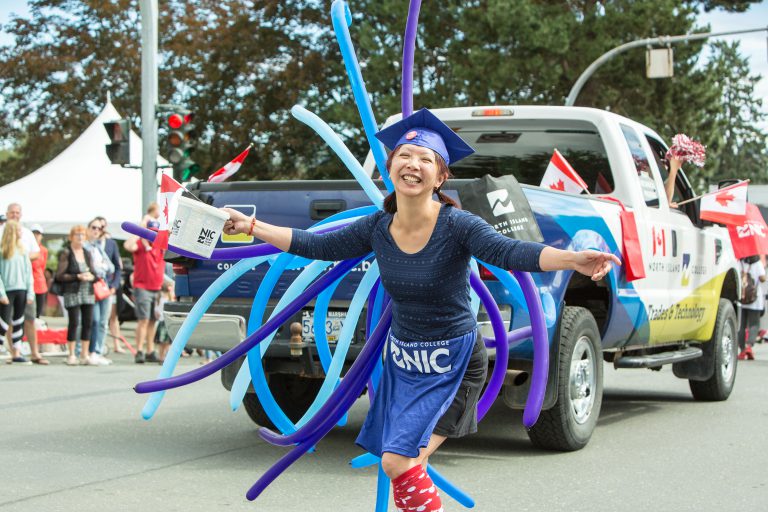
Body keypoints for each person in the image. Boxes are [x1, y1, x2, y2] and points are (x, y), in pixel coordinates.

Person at [221, 108, 619, 511]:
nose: (413, 165)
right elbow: (315, 245)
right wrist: (251, 226)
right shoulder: (378, 227)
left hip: (454, 362)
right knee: (408, 469)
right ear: (390, 166)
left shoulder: (457, 224)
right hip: (405, 363)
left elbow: (511, 251)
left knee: (398, 462)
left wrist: (572, 260)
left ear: (441, 177)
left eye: (426, 159)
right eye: (405, 156)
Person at [2, 203, 46, 364]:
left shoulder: (26, 233)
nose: (15, 215)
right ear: (7, 214)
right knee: (7, 319)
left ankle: (33, 352)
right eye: (12, 212)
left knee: (28, 318)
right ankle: (13, 351)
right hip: (7, 285)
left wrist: (21, 255)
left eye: (17, 212)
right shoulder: (2, 231)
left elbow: (36, 253)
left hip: (24, 284)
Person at [55, 225, 99, 366]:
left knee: (88, 322)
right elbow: (60, 275)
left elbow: (94, 272)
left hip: (87, 291)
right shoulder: (66, 253)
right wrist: (78, 276)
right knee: (74, 322)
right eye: (77, 235)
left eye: (82, 235)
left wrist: (91, 276)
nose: (80, 237)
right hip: (72, 291)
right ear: (71, 237)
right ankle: (71, 354)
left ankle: (84, 354)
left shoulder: (87, 252)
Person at [124, 225, 166, 364]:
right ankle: (140, 351)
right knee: (143, 320)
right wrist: (140, 232)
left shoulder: (159, 247)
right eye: (150, 234)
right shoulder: (141, 246)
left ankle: (150, 350)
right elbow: (128, 245)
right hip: (142, 287)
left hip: (156, 287)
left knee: (153, 320)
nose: (152, 237)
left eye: (154, 234)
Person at [0, 220, 35, 364]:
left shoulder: (23, 251)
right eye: (18, 230)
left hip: (22, 289)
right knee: (4, 322)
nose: (21, 233)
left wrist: (30, 292)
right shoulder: (2, 252)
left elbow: (28, 273)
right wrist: (1, 293)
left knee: (19, 321)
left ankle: (17, 351)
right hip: (7, 290)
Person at [85, 218, 114, 364]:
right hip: (92, 288)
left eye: (99, 228)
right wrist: (101, 268)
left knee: (103, 322)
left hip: (104, 288)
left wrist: (101, 267)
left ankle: (98, 350)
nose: (97, 230)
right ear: (88, 229)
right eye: (94, 227)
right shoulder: (85, 247)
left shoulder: (98, 247)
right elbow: (93, 268)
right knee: (94, 321)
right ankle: (89, 351)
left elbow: (111, 267)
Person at [95, 216, 126, 353]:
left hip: (110, 286)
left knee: (113, 316)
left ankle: (116, 344)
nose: (100, 229)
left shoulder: (111, 244)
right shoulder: (91, 244)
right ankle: (97, 346)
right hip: (96, 286)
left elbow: (118, 266)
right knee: (97, 318)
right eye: (97, 227)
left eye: (102, 226)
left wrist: (114, 285)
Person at [738, 254, 766, 360]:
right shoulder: (757, 262)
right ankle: (749, 346)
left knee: (741, 326)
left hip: (742, 297)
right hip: (755, 299)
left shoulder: (740, 262)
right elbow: (763, 278)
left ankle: (742, 350)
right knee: (754, 324)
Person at [29, 224, 48, 319]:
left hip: (39, 283)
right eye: (34, 233)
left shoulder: (44, 250)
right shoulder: (26, 248)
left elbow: (43, 266)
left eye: (38, 234)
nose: (36, 236)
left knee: (37, 313)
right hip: (28, 282)